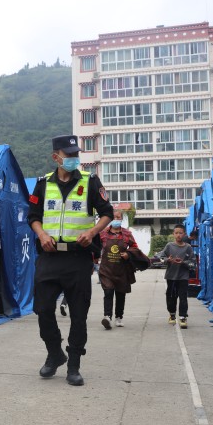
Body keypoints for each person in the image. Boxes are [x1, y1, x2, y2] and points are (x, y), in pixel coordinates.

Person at [28, 135, 113, 386]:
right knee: (42, 309)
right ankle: (55, 353)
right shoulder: (43, 184)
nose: (74, 159)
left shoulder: (90, 181)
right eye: (68, 155)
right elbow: (32, 215)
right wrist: (42, 234)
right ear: (56, 157)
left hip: (78, 259)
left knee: (78, 314)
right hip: (49, 257)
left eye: (76, 155)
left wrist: (92, 232)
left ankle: (74, 364)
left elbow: (107, 213)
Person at [97, 210, 141, 328]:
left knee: (121, 294)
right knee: (108, 292)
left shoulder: (127, 234)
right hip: (106, 269)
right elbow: (95, 247)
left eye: (118, 217)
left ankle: (119, 317)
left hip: (122, 270)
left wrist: (128, 254)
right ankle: (107, 317)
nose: (116, 219)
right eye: (114, 217)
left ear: (122, 219)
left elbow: (135, 248)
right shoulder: (102, 234)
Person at [156, 224, 195, 329]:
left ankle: (183, 317)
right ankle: (172, 315)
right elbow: (160, 257)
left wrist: (183, 262)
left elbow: (192, 263)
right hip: (171, 277)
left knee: (183, 297)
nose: (178, 235)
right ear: (173, 234)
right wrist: (167, 260)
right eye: (176, 233)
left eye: (180, 233)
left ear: (184, 234)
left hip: (183, 277)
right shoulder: (169, 246)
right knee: (171, 297)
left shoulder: (188, 247)